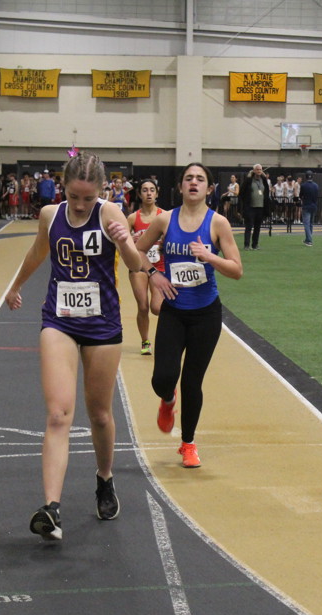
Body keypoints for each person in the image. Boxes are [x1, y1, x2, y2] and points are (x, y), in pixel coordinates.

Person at [4, 151, 163, 541]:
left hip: (102, 324)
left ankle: (105, 478)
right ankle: (51, 508)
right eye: (73, 196)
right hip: (58, 320)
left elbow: (135, 265)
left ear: (102, 191)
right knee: (58, 414)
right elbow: (38, 251)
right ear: (63, 188)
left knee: (100, 415)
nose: (79, 205)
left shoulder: (110, 214)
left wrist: (124, 242)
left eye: (87, 198)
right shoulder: (50, 215)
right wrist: (16, 284)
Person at [133, 163, 243, 468]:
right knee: (162, 378)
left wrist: (210, 257)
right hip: (174, 310)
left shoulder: (218, 223)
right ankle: (167, 399)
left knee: (193, 382)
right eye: (188, 178)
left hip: (206, 314)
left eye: (200, 179)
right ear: (180, 186)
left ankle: (188, 444)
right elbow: (137, 251)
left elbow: (237, 269)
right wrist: (154, 274)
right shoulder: (165, 220)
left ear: (209, 189)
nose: (194, 183)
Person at [127, 178, 165, 356]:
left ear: (157, 193)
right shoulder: (132, 218)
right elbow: (121, 241)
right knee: (143, 306)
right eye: (144, 190)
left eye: (152, 190)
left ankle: (169, 336)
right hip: (139, 267)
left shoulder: (165, 216)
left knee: (156, 307)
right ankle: (145, 341)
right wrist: (130, 240)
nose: (149, 193)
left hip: (159, 266)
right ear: (139, 194)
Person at [239, 164, 270, 250]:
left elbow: (267, 192)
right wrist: (245, 203)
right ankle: (246, 245)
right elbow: (241, 192)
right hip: (250, 207)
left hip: (261, 207)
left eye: (260, 169)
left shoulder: (263, 180)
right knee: (249, 226)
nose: (259, 171)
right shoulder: (249, 180)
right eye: (257, 169)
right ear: (254, 170)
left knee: (257, 227)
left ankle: (255, 244)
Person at [300, 170, 319, 247]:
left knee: (306, 224)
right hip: (314, 205)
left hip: (306, 205)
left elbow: (301, 195)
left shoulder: (303, 185)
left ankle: (309, 240)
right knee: (311, 224)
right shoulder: (316, 185)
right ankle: (308, 239)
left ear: (306, 177)